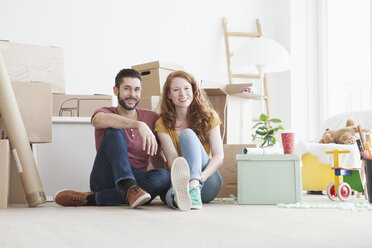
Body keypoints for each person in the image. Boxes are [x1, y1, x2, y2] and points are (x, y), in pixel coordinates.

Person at [54, 69, 171, 208]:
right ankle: (128, 186)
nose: (132, 94)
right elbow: (98, 120)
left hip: (138, 180)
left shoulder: (151, 117)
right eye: (127, 88)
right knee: (113, 130)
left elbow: (156, 154)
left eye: (136, 89)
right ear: (116, 90)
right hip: (106, 177)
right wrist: (138, 125)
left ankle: (91, 199)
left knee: (163, 176)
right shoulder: (106, 112)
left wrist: (163, 185)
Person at [155, 71, 224, 211]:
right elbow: (173, 160)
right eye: (176, 90)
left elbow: (219, 156)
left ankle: (193, 189)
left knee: (187, 135)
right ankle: (180, 199)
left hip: (207, 181)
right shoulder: (162, 123)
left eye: (186, 88)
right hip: (180, 181)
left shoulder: (209, 116)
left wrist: (197, 180)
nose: (182, 93)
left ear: (193, 90)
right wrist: (184, 183)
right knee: (171, 195)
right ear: (169, 95)